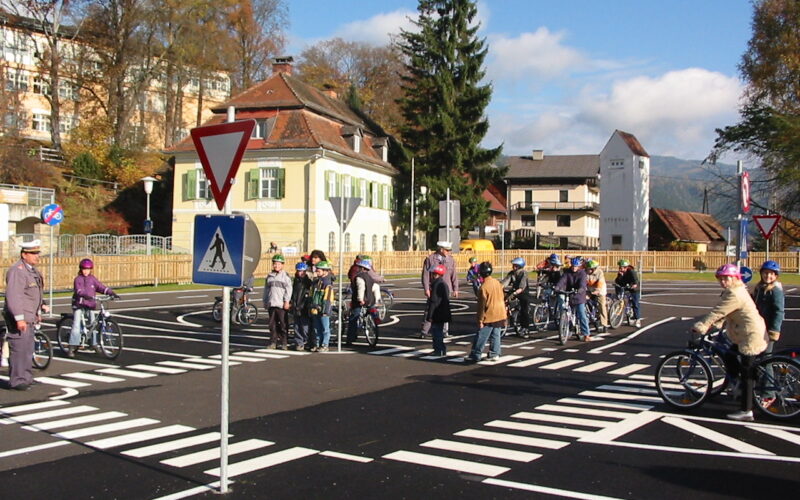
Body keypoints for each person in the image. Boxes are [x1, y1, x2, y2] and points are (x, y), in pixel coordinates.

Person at [692, 263, 768, 422]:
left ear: (735, 278)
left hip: (750, 335)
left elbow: (718, 311)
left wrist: (702, 325)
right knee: (729, 355)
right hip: (745, 332)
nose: (723, 282)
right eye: (721, 279)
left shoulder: (734, 294)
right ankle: (737, 385)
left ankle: (746, 410)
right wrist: (717, 325)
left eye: (726, 278)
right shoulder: (736, 290)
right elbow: (728, 313)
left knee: (747, 372)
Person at [2, 240, 49, 391]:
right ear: (24, 255)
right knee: (19, 348)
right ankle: (17, 380)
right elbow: (14, 296)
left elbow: (35, 294)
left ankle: (26, 377)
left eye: (37, 253)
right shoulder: (17, 271)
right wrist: (19, 318)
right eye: (33, 254)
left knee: (28, 348)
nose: (37, 257)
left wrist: (39, 310)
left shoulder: (32, 271)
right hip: (19, 317)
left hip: (30, 316)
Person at [68, 258, 119, 357]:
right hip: (79, 304)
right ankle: (72, 346)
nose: (86, 271)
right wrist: (86, 295)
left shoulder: (92, 279)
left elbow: (100, 287)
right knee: (76, 325)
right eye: (84, 269)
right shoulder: (78, 279)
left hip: (90, 304)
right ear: (80, 269)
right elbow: (78, 291)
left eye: (88, 269)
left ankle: (94, 343)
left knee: (93, 324)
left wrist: (111, 292)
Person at [752, 260, 785, 408]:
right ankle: (759, 387)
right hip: (757, 328)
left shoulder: (775, 290)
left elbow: (779, 311)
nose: (768, 276)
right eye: (765, 273)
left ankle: (769, 394)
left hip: (768, 330)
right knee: (757, 359)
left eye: (771, 274)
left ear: (776, 276)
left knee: (766, 361)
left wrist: (775, 330)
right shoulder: (760, 288)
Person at [467, 262, 506, 362]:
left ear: (480, 273)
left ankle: (476, 354)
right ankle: (494, 353)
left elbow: (481, 306)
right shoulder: (497, 282)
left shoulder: (483, 287)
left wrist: (480, 319)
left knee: (482, 335)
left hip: (490, 313)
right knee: (495, 334)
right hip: (500, 311)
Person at [419, 241, 458, 338]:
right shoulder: (431, 259)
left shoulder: (451, 260)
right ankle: (424, 331)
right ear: (441, 249)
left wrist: (455, 288)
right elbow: (425, 275)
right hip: (434, 288)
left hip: (446, 288)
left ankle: (445, 331)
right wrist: (426, 288)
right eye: (447, 250)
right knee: (430, 309)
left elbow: (454, 275)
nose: (449, 252)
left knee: (444, 309)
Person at [556, 257, 593, 341]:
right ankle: (566, 329)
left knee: (581, 314)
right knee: (565, 311)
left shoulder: (582, 273)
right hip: (569, 294)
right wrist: (558, 287)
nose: (574, 268)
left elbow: (582, 284)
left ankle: (586, 334)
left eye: (576, 266)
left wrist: (580, 290)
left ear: (579, 266)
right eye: (573, 266)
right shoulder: (567, 272)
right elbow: (562, 280)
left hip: (579, 296)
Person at [348, 259, 380, 346]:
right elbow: (376, 287)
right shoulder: (370, 278)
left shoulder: (359, 277)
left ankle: (350, 338)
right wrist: (377, 299)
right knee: (371, 311)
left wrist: (360, 299)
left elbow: (360, 289)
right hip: (370, 300)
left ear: (361, 268)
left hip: (360, 300)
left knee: (354, 317)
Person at [263, 254, 292, 350]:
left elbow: (289, 290)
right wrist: (265, 301)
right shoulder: (269, 276)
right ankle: (273, 342)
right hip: (272, 303)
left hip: (281, 304)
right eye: (275, 264)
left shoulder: (285, 277)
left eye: (279, 264)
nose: (276, 266)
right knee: (272, 324)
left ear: (282, 265)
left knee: (283, 324)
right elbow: (266, 290)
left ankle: (284, 342)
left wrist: (286, 301)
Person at [501, 257, 532, 336]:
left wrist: (515, 292)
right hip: (514, 291)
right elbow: (505, 282)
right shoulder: (512, 273)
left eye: (515, 265)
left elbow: (522, 287)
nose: (513, 267)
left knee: (524, 309)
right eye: (513, 265)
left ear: (519, 266)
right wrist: (499, 287)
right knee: (504, 300)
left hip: (523, 292)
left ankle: (525, 328)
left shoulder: (523, 273)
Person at [425, 265, 452, 356]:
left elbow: (433, 302)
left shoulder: (436, 285)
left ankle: (439, 349)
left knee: (436, 332)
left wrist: (430, 316)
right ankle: (441, 349)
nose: (432, 276)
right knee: (438, 331)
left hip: (437, 312)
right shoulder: (443, 284)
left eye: (433, 274)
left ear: (436, 274)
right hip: (443, 312)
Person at [309, 261, 335, 352]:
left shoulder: (327, 283)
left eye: (318, 270)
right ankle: (318, 344)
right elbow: (312, 295)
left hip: (324, 310)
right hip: (316, 308)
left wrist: (325, 310)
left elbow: (328, 299)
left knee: (325, 328)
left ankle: (324, 344)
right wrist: (312, 306)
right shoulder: (316, 281)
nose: (316, 272)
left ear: (325, 271)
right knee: (317, 328)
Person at [290, 262, 313, 350]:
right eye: (299, 271)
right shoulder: (296, 281)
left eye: (303, 271)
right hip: (296, 305)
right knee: (296, 325)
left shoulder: (308, 282)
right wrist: (293, 302)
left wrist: (302, 305)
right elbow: (294, 293)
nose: (301, 273)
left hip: (304, 307)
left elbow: (307, 295)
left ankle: (306, 340)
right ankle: (299, 342)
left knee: (304, 326)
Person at [615, 259, 641, 328]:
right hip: (626, 287)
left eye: (622, 267)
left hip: (634, 289)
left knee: (635, 303)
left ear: (626, 267)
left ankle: (637, 319)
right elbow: (618, 281)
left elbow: (635, 280)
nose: (620, 269)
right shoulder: (620, 272)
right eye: (619, 267)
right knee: (621, 297)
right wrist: (620, 276)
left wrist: (634, 285)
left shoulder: (632, 272)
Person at [585, 259, 609, 333]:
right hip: (589, 290)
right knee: (583, 300)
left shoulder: (599, 272)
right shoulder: (585, 272)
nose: (588, 270)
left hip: (600, 291)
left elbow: (600, 282)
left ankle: (604, 324)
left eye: (589, 269)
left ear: (593, 269)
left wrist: (597, 290)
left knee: (601, 306)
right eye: (587, 268)